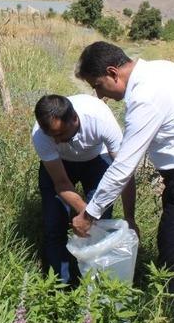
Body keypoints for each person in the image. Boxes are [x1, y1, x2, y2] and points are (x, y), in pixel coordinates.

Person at [73, 41, 174, 323]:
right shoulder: (164, 69)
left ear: (113, 72)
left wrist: (90, 214)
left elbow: (123, 166)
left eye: (98, 85)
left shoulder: (144, 96)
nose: (100, 95)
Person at [31, 94, 137, 285]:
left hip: (97, 160)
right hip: (60, 165)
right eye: (51, 136)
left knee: (99, 225)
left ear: (74, 119)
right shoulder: (41, 134)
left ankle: (97, 286)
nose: (56, 141)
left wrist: (129, 217)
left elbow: (124, 171)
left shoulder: (100, 120)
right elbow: (62, 183)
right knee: (54, 226)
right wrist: (86, 213)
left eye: (61, 134)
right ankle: (61, 287)